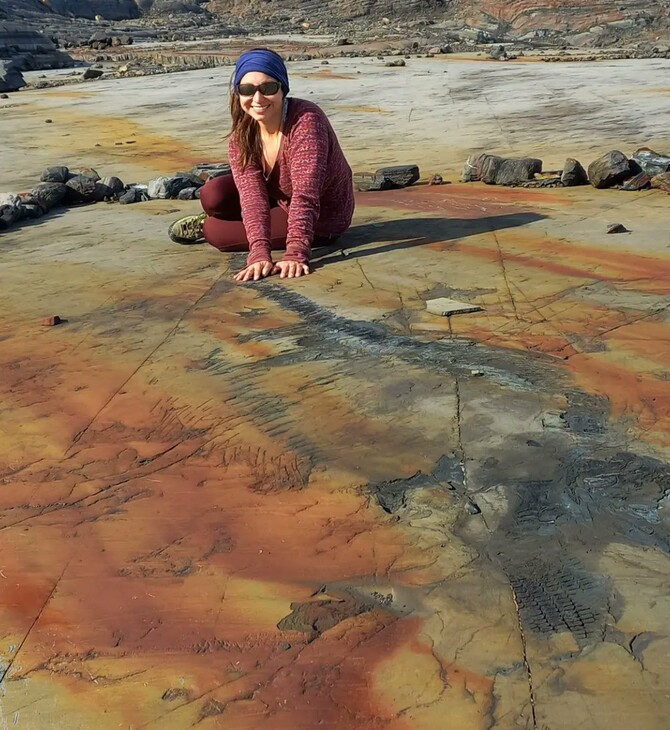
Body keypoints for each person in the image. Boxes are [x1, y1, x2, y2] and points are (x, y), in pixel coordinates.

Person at [168, 48, 355, 282]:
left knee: (215, 232)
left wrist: (296, 252)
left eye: (268, 88)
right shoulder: (244, 132)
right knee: (212, 194)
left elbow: (305, 196)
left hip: (322, 214)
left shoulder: (306, 121)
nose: (257, 99)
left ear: (283, 89)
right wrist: (258, 251)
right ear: (238, 92)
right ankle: (236, 220)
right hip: (278, 195)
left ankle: (207, 225)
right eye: (247, 90)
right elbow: (251, 195)